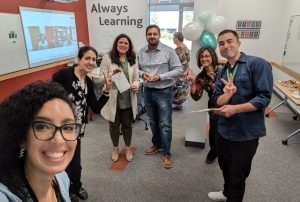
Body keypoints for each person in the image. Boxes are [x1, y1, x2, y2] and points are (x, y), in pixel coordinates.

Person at [208, 30, 273, 202]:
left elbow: (264, 98)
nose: (226, 46)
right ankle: (226, 193)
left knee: (238, 176)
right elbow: (217, 100)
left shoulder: (257, 64)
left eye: (229, 41)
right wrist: (227, 96)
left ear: (239, 43)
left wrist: (235, 109)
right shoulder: (222, 72)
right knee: (225, 166)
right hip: (223, 131)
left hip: (245, 133)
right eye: (221, 43)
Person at [0, 81, 80, 201]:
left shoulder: (61, 177)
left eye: (68, 127)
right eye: (42, 127)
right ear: (22, 138)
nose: (58, 140)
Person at [52, 46, 111, 202]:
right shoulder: (64, 75)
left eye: (93, 59)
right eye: (87, 58)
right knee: (63, 162)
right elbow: (50, 97)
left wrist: (107, 91)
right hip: (59, 129)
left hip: (77, 129)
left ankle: (77, 186)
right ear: (79, 59)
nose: (91, 62)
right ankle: (67, 189)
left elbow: (96, 108)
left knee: (75, 163)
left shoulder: (89, 82)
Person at [137, 25, 183, 169]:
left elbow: (179, 69)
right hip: (148, 91)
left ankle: (167, 153)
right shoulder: (141, 51)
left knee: (165, 124)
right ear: (146, 36)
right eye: (149, 34)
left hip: (164, 91)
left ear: (159, 36)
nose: (152, 36)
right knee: (152, 121)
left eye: (155, 34)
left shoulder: (169, 51)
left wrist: (160, 77)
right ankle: (156, 144)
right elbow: (136, 69)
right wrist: (141, 74)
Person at [99, 34, 139, 162]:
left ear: (129, 46)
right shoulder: (107, 58)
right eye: (120, 42)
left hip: (128, 98)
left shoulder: (132, 58)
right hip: (113, 98)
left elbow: (137, 78)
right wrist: (111, 76)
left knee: (127, 125)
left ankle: (127, 148)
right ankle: (115, 148)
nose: (123, 45)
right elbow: (101, 78)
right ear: (116, 44)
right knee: (114, 125)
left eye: (126, 43)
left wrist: (136, 85)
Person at [187, 47, 220, 164]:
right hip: (214, 106)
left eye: (207, 56)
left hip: (230, 103)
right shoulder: (201, 77)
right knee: (213, 133)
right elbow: (196, 96)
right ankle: (213, 152)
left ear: (212, 57)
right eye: (201, 57)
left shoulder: (222, 69)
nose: (204, 59)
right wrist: (192, 84)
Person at [172, 32, 190, 110]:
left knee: (178, 88)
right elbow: (188, 60)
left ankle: (178, 104)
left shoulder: (178, 49)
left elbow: (174, 62)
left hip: (179, 73)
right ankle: (179, 104)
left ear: (177, 38)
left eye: (173, 37)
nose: (173, 39)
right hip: (185, 72)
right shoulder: (186, 47)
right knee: (182, 88)